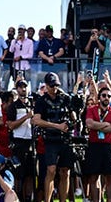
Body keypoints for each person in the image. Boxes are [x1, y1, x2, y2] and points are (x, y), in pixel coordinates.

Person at [32, 72, 74, 202]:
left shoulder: (65, 98)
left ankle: (63, 199)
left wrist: (72, 120)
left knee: (65, 171)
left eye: (56, 85)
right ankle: (47, 199)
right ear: (46, 85)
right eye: (51, 86)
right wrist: (57, 126)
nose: (54, 88)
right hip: (50, 139)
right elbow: (36, 120)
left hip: (65, 139)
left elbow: (73, 115)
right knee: (51, 170)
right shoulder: (41, 101)